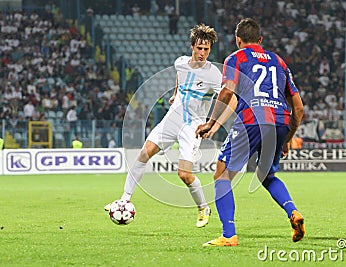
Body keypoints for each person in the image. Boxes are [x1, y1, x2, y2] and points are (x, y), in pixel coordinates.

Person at [196, 18, 305, 246]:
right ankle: (293, 212)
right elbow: (299, 108)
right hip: (280, 122)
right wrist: (287, 138)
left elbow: (227, 92)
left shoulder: (236, 58)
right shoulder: (279, 62)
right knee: (267, 175)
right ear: (261, 40)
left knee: (222, 173)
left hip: (251, 120)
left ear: (238, 40)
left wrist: (210, 121)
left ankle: (229, 235)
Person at [105, 24, 221, 228]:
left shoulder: (213, 75)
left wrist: (213, 123)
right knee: (143, 154)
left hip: (192, 126)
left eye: (207, 49)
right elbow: (180, 75)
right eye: (199, 48)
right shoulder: (181, 63)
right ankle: (125, 199)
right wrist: (176, 93)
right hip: (171, 119)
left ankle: (203, 207)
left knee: (184, 175)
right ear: (192, 46)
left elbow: (226, 97)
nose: (203, 53)